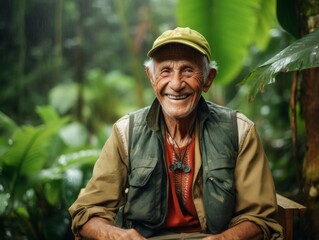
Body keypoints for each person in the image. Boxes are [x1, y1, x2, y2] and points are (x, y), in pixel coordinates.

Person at [69, 27, 283, 240]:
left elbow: (259, 217)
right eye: (165, 71)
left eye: (188, 70)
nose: (176, 84)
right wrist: (118, 235)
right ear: (151, 78)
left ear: (208, 79)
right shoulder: (126, 132)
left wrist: (224, 239)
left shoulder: (240, 130)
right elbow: (87, 212)